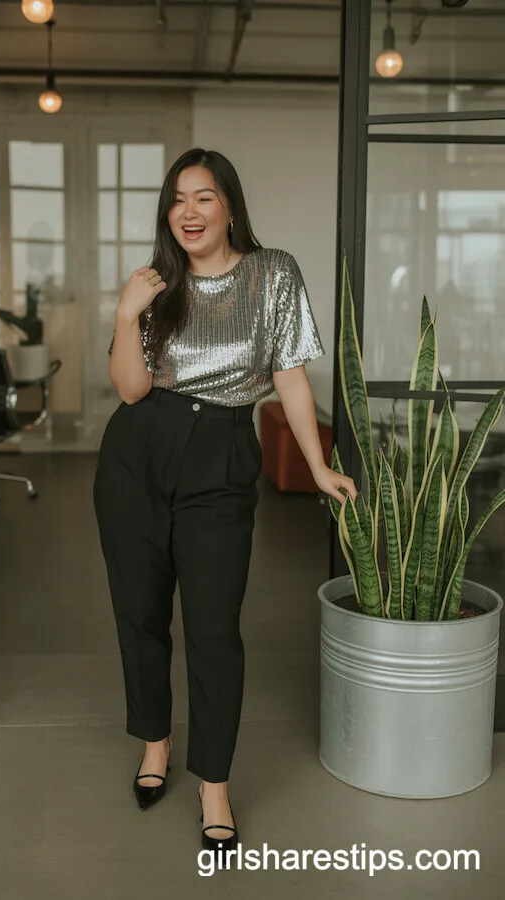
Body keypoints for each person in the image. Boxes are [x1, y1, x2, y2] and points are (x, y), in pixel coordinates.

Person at [93, 148, 357, 865]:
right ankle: (155, 742)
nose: (188, 211)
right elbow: (130, 390)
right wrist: (125, 314)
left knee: (214, 627)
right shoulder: (157, 284)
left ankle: (214, 783)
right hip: (137, 454)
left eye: (204, 197)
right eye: (178, 199)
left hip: (221, 458)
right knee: (141, 611)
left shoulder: (273, 273)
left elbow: (290, 375)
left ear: (229, 205)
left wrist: (318, 466)